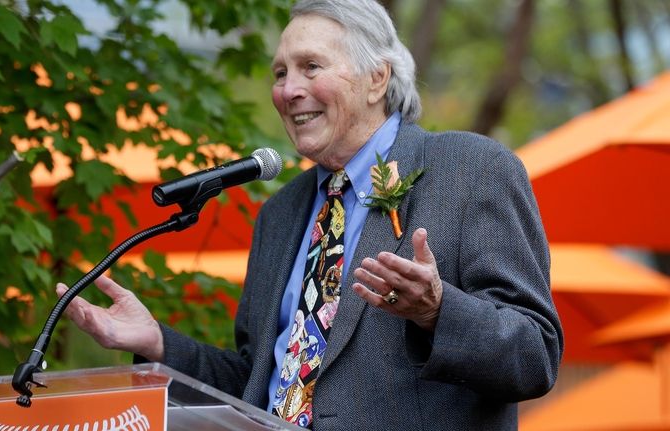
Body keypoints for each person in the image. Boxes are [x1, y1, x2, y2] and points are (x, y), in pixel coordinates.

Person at [57, 0, 563, 429]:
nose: (287, 89)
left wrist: (437, 311)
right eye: (280, 72)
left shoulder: (470, 168)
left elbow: (535, 356)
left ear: (376, 78)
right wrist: (160, 344)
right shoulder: (281, 213)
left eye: (310, 67)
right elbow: (258, 382)